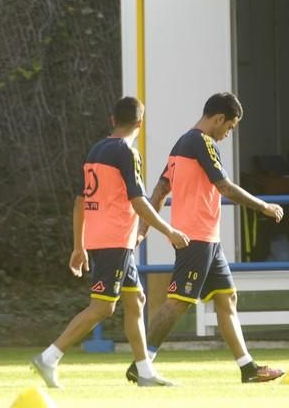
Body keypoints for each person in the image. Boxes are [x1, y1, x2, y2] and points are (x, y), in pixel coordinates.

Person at [125, 92, 285, 384]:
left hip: (208, 239)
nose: (228, 133)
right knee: (178, 302)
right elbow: (224, 187)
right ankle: (142, 362)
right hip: (195, 239)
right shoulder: (203, 142)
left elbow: (160, 191)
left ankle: (248, 368)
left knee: (227, 299)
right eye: (230, 127)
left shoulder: (180, 144)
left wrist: (144, 230)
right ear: (219, 119)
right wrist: (263, 206)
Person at [31, 97, 189, 388]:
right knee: (103, 307)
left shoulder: (96, 150)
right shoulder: (127, 152)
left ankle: (144, 372)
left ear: (112, 119)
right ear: (139, 124)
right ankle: (50, 356)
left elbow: (80, 201)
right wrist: (169, 230)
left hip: (108, 239)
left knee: (136, 300)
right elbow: (139, 200)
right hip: (115, 240)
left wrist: (79, 245)